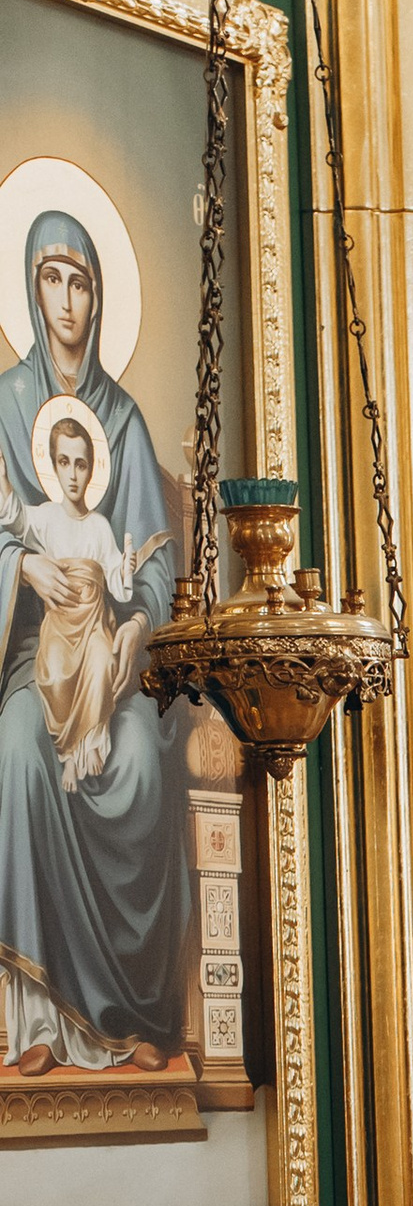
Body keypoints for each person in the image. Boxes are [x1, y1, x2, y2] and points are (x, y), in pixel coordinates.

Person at [0, 206, 191, 1077]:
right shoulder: (4, 407)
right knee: (15, 752)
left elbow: (151, 569)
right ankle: (38, 1024)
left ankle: (141, 1016)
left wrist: (136, 631)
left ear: (100, 292)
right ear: (33, 290)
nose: (67, 298)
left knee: (147, 767)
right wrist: (21, 570)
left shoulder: (127, 420)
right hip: (33, 660)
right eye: (51, 276)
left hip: (114, 663)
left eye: (81, 279)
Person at [5, 406, 168, 791]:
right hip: (60, 626)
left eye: (81, 464)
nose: (74, 474)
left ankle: (89, 747)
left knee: (99, 659)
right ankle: (68, 753)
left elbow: (116, 583)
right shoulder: (45, 518)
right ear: (55, 466)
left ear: (91, 469)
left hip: (95, 622)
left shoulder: (98, 526)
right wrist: (4, 485)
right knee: (55, 671)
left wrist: (125, 568)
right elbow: (16, 520)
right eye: (65, 462)